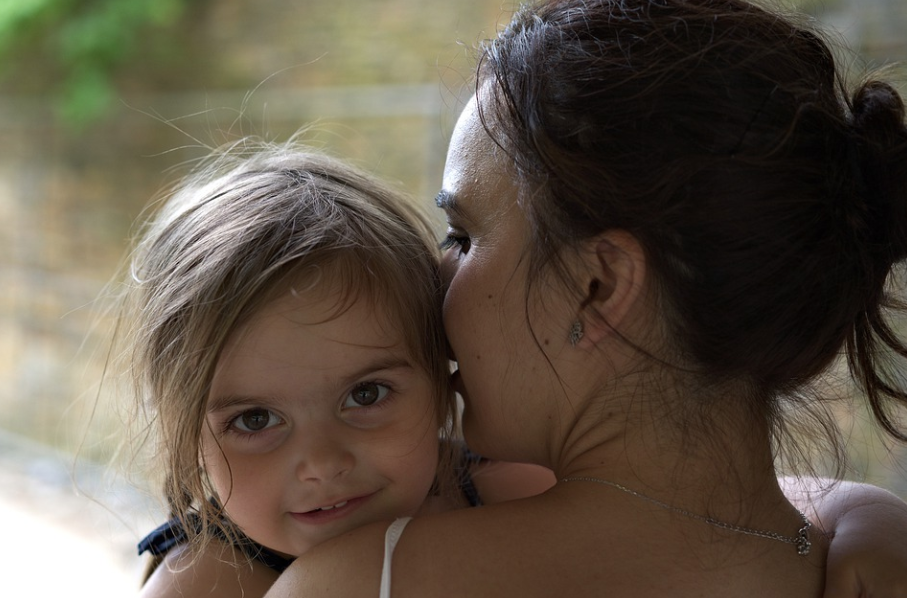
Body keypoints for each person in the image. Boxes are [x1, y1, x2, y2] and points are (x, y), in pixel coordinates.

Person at [262, 1, 907, 597]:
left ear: (596, 287)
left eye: (462, 236)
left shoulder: (361, 581)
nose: (434, 277)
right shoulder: (847, 561)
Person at [120, 142, 554, 598]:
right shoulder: (205, 588)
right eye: (255, 419)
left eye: (366, 394)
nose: (323, 465)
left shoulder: (519, 496)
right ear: (188, 438)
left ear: (440, 371)